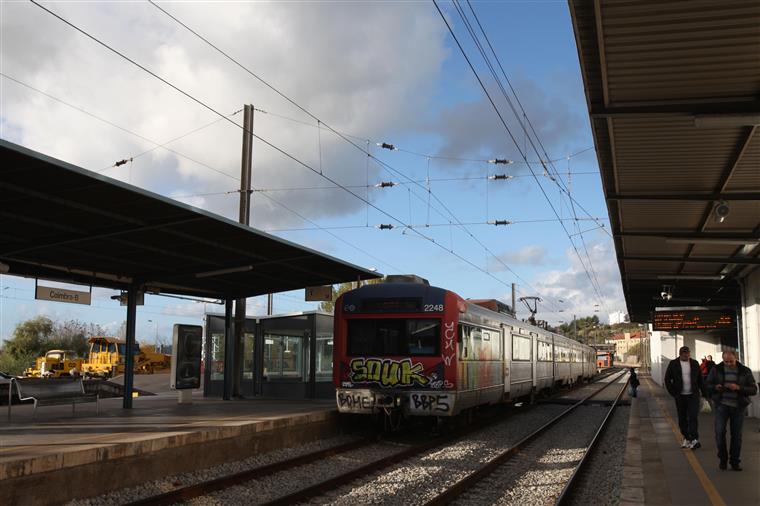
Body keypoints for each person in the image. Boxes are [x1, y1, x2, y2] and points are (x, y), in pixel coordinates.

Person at [706, 350, 758, 471]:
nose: (728, 364)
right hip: (721, 405)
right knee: (719, 433)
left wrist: (739, 388)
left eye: (731, 361)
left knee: (736, 435)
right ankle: (723, 459)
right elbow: (707, 384)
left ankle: (735, 461)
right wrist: (715, 387)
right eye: (725, 361)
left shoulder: (745, 371)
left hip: (738, 407)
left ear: (736, 358)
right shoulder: (716, 369)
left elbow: (753, 390)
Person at [664, 346, 707, 449]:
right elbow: (667, 379)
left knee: (693, 417)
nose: (686, 355)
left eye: (687, 353)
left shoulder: (695, 363)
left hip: (693, 395)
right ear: (680, 354)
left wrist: (705, 394)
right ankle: (687, 438)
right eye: (684, 354)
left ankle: (694, 439)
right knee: (682, 418)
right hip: (680, 396)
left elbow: (700, 380)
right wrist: (673, 393)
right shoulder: (673, 364)